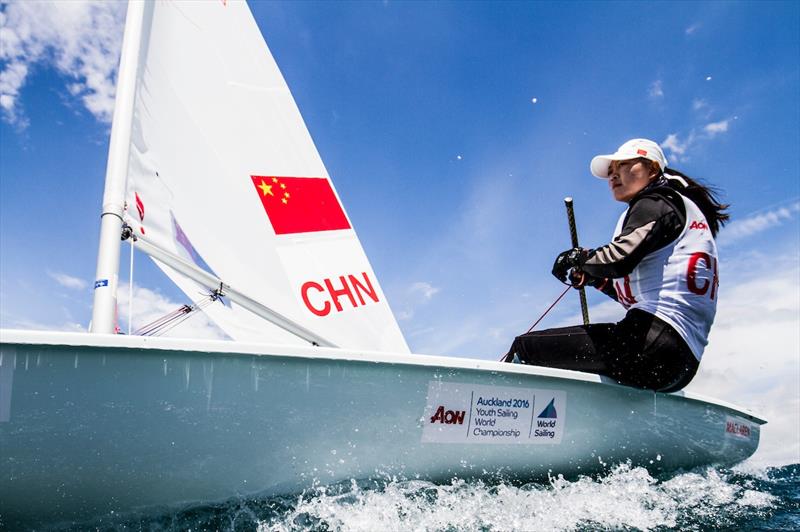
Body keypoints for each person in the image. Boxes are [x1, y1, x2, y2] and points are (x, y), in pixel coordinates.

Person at [503, 138, 729, 392]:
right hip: (680, 361)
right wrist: (593, 278)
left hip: (651, 343)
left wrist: (579, 259)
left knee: (527, 347)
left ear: (652, 169)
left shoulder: (655, 202)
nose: (613, 176)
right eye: (611, 172)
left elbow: (619, 259)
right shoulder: (680, 209)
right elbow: (632, 290)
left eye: (623, 166)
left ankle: (494, 415)